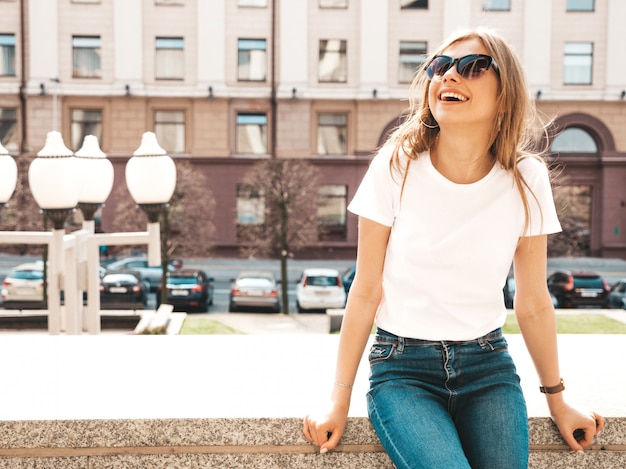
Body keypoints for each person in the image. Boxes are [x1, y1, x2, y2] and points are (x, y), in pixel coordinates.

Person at [303, 27, 604, 469]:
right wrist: (337, 399)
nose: (449, 76)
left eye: (474, 66)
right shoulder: (396, 164)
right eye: (440, 66)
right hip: (403, 370)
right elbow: (366, 289)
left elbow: (535, 301)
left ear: (506, 95)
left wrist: (558, 401)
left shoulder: (527, 178)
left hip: (488, 367)